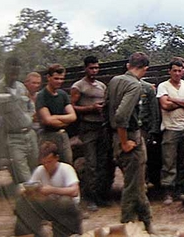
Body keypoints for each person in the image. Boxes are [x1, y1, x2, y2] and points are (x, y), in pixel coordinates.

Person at [107, 52, 153, 233]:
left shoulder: (114, 80)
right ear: (145, 69)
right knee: (132, 187)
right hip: (129, 137)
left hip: (115, 136)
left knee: (137, 183)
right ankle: (126, 226)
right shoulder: (135, 85)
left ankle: (147, 222)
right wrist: (126, 142)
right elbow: (121, 116)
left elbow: (107, 107)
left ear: (128, 65)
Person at [0, 56, 39, 183]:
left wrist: (30, 115)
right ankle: (31, 198)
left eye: (17, 72)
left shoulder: (21, 87)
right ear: (5, 70)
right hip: (12, 138)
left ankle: (27, 198)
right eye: (11, 71)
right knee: (24, 175)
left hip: (30, 135)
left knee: (35, 167)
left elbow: (30, 104)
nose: (14, 75)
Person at [14, 141, 82, 237]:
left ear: (56, 158)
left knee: (64, 201)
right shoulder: (40, 170)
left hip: (67, 208)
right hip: (49, 205)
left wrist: (52, 190)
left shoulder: (66, 169)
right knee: (23, 202)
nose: (46, 165)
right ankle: (30, 232)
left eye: (49, 162)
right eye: (44, 162)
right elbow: (30, 185)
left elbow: (74, 191)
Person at [70, 55, 112, 211]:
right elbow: (72, 107)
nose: (94, 70)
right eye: (91, 68)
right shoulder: (78, 86)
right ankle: (89, 198)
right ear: (85, 68)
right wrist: (90, 108)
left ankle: (100, 196)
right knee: (91, 164)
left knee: (102, 163)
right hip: (88, 127)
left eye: (96, 68)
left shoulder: (101, 86)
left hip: (101, 127)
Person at [157, 57, 184, 204]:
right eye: (175, 70)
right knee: (169, 161)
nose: (177, 73)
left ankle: (182, 187)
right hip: (170, 128)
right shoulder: (163, 86)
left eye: (180, 70)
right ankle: (168, 190)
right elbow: (165, 105)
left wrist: (173, 100)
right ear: (169, 71)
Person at [36, 64, 77, 165]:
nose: (59, 81)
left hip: (62, 135)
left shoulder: (62, 94)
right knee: (49, 164)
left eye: (61, 79)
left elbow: (73, 116)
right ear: (49, 78)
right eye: (56, 78)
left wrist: (55, 117)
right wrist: (64, 121)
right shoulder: (42, 95)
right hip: (47, 136)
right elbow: (47, 120)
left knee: (67, 163)